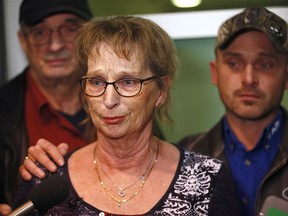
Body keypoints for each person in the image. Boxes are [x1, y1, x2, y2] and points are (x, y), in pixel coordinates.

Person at [6, 15, 242, 216]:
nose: (109, 100)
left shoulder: (208, 181)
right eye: (97, 82)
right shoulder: (48, 181)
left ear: (161, 91)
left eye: (128, 82)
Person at [179, 7, 288, 216]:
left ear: (286, 76)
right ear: (215, 72)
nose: (248, 78)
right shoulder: (183, 159)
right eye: (233, 63)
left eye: (264, 64)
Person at [0, 0, 94, 205]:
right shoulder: (4, 111)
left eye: (70, 29)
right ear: (23, 41)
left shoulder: (123, 102)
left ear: (90, 36)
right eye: (40, 33)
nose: (55, 45)